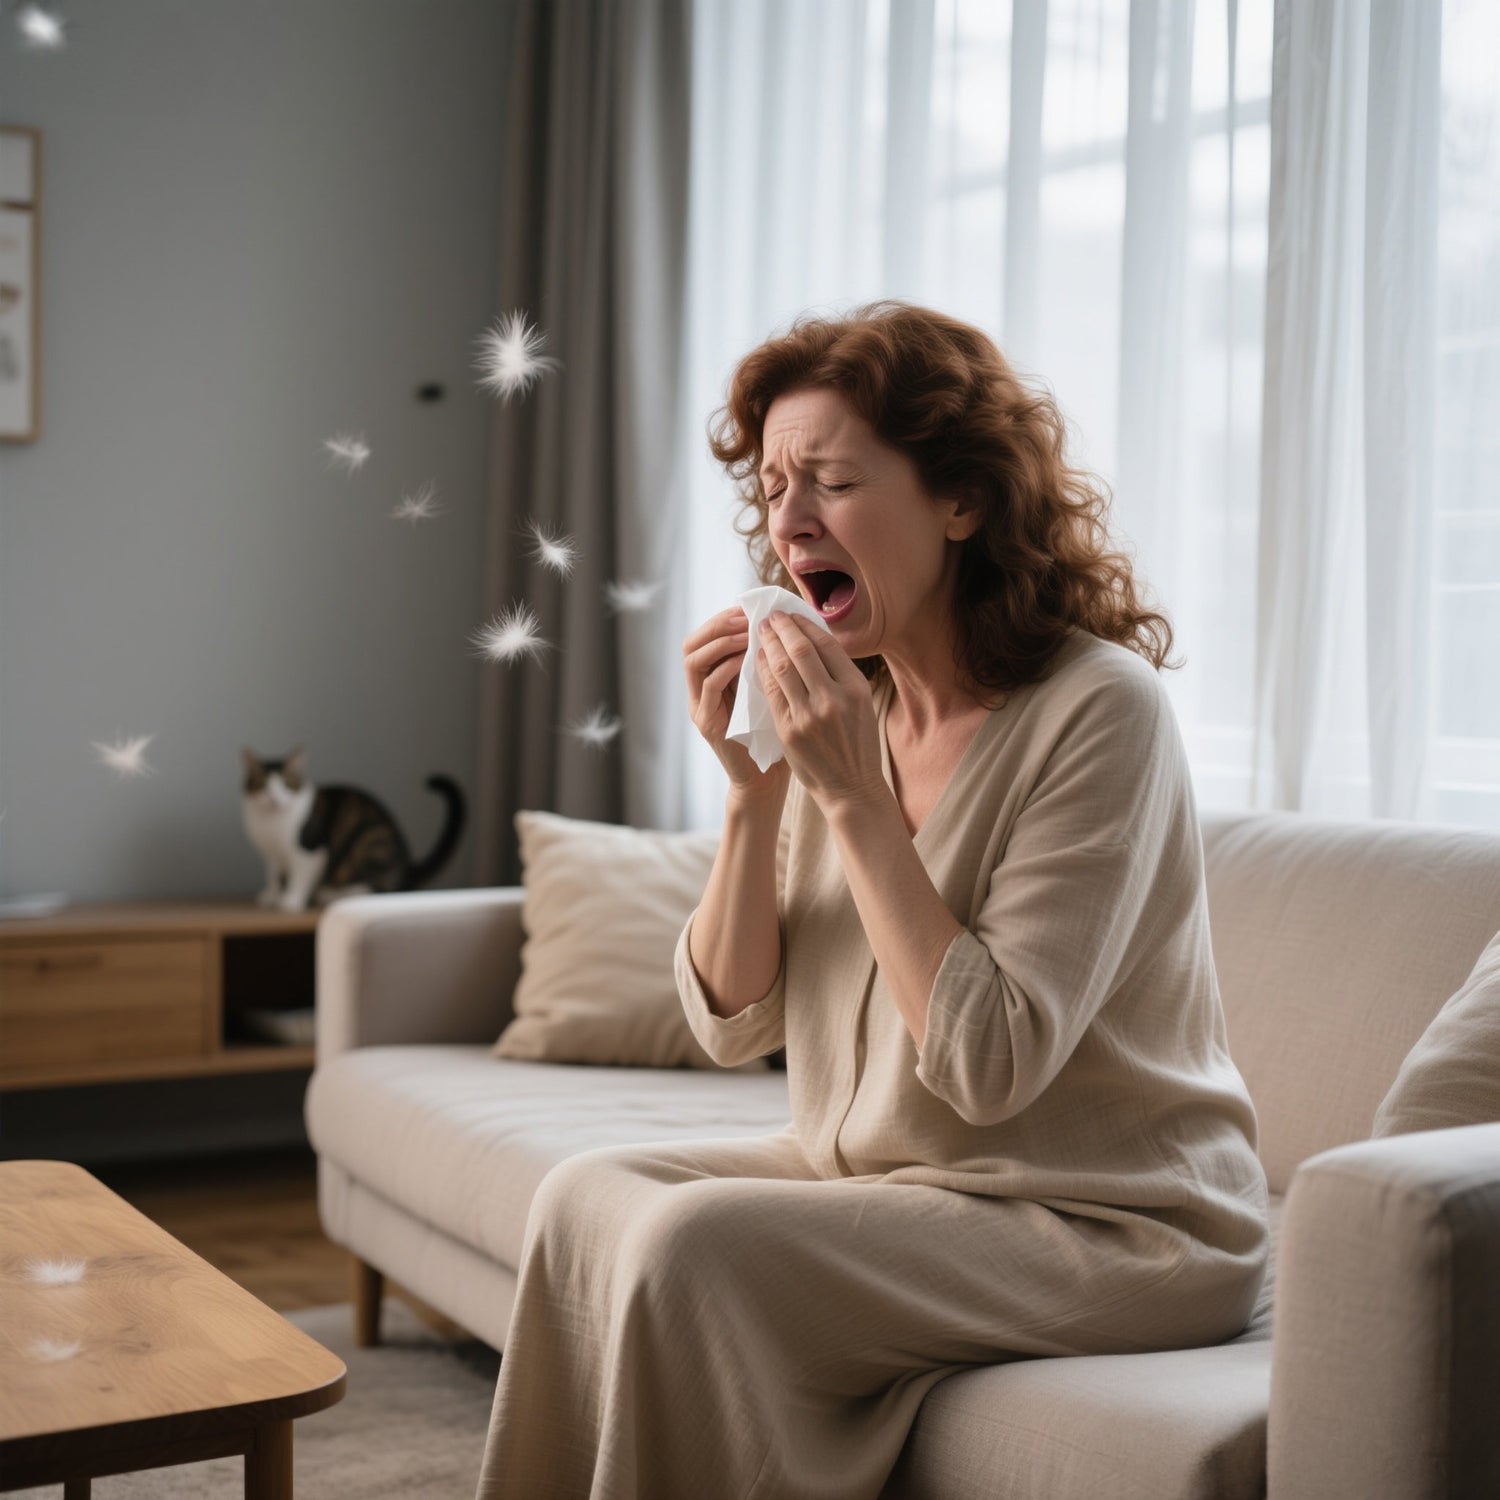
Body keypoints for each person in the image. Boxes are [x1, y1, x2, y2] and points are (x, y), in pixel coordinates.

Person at [474, 301, 1269, 1500]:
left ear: (962, 501)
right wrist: (752, 797)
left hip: (1116, 1223)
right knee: (584, 1197)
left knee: (694, 1246)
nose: (788, 523)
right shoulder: (862, 708)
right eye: (776, 486)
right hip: (898, 1184)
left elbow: (989, 1062)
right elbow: (735, 1024)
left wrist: (850, 799)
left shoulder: (1100, 712)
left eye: (833, 483)